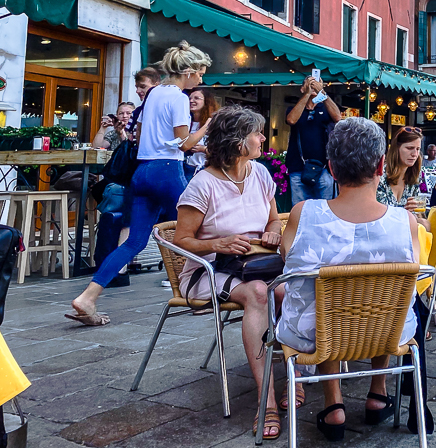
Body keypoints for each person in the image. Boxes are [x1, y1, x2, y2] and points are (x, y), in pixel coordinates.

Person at [278, 118, 424, 441]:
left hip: (313, 336)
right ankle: (377, 391)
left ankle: (334, 403)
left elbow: (287, 258)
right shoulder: (406, 223)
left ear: (330, 168)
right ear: (381, 166)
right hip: (387, 333)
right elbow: (413, 271)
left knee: (322, 301)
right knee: (383, 298)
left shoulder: (303, 213)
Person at [69, 41, 213, 326]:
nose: (201, 79)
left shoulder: (154, 93)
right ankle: (200, 298)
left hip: (143, 171)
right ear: (188, 71)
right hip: (167, 171)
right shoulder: (180, 99)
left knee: (134, 241)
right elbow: (184, 144)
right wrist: (208, 126)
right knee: (203, 231)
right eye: (200, 73)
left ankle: (87, 298)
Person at [171, 106, 285, 438]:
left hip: (256, 265)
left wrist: (273, 232)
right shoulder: (203, 184)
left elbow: (274, 219)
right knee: (261, 294)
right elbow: (181, 240)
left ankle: (296, 376)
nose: (263, 138)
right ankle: (268, 402)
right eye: (257, 132)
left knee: (290, 290)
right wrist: (219, 243)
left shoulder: (260, 173)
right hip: (207, 270)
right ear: (237, 142)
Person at [285, 75, 341, 204]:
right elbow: (291, 120)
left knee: (325, 209)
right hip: (298, 168)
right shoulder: (294, 109)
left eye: (317, 84)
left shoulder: (325, 109)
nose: (314, 86)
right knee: (300, 209)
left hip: (323, 168)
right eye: (310, 84)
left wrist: (322, 93)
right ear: (302, 88)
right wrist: (307, 94)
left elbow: (338, 117)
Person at [378, 127, 430, 230]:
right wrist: (406, 214)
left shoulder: (415, 176)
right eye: (410, 148)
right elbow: (378, 216)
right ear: (396, 149)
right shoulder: (380, 175)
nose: (415, 154)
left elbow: (419, 217)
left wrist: (416, 212)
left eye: (418, 149)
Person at [184, 89, 219, 181]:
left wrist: (203, 149)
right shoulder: (184, 122)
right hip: (186, 168)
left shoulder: (214, 124)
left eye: (196, 98)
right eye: (189, 98)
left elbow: (224, 151)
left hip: (206, 169)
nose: (191, 101)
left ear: (207, 102)